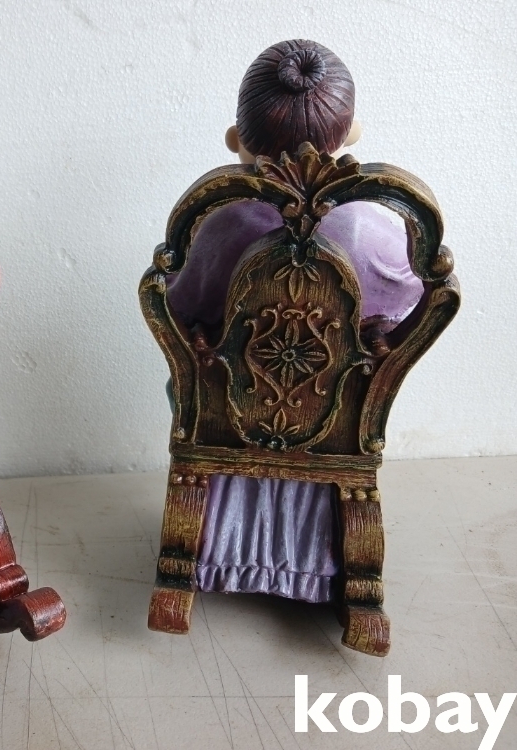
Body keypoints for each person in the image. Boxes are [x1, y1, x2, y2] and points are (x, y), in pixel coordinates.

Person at [165, 40, 423, 603]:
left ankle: (212, 552)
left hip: (232, 410)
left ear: (237, 138)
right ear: (351, 132)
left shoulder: (221, 225)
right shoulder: (374, 230)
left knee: (188, 379)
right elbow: (414, 302)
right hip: (337, 418)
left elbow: (178, 309)